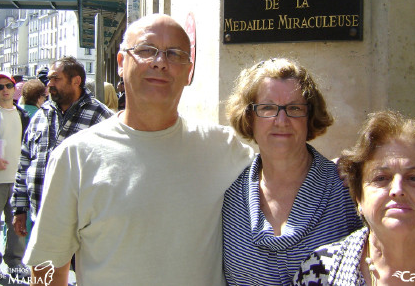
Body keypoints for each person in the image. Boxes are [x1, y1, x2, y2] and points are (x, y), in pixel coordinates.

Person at [22, 14, 254, 286]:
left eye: (175, 54)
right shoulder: (75, 157)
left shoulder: (224, 148)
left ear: (188, 70)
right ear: (121, 63)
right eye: (146, 50)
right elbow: (48, 264)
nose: (160, 62)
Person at [223, 58, 362, 286]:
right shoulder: (228, 190)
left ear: (309, 116)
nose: (281, 120)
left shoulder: (345, 190)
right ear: (249, 117)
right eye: (267, 108)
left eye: (294, 108)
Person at [293, 110, 415, 285]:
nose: (397, 190)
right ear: (358, 198)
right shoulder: (318, 273)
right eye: (381, 178)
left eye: (413, 178)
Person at [11, 57, 113, 239]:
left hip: (82, 225)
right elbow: (25, 162)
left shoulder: (100, 116)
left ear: (76, 81)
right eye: (49, 79)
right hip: (40, 218)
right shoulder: (41, 114)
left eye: (55, 79)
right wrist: (19, 208)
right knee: (43, 268)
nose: (49, 84)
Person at [0, 72, 30, 280]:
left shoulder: (23, 115)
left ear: (14, 89)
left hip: (18, 179)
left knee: (17, 223)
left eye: (8, 86)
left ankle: (15, 261)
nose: (4, 90)